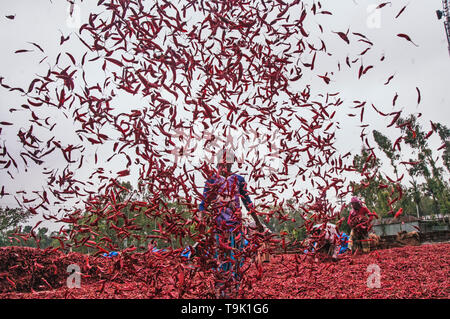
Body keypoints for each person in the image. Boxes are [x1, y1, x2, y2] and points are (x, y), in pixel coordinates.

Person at [197, 149, 264, 296]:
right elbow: (203, 204)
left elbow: (248, 203)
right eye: (222, 162)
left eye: (227, 162)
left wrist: (258, 223)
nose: (224, 165)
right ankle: (221, 293)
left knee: (236, 262)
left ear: (231, 163)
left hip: (235, 229)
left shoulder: (238, 180)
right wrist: (201, 219)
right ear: (218, 162)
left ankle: (234, 291)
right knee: (220, 261)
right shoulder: (212, 180)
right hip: (219, 229)